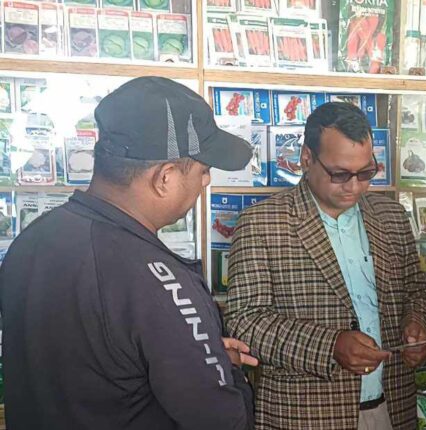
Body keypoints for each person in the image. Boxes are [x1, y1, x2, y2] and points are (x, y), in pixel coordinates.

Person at [0, 77, 257, 429]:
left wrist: (198, 351)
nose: (206, 181)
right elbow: (223, 419)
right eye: (203, 169)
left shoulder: (32, 240)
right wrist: (225, 369)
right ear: (165, 178)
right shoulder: (158, 280)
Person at [225, 102, 426, 430]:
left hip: (391, 406)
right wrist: (330, 346)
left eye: (365, 173)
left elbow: (416, 292)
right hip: (306, 415)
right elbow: (246, 322)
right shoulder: (261, 223)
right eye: (340, 174)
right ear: (307, 159)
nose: (354, 186)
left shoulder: (391, 217)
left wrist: (417, 323)